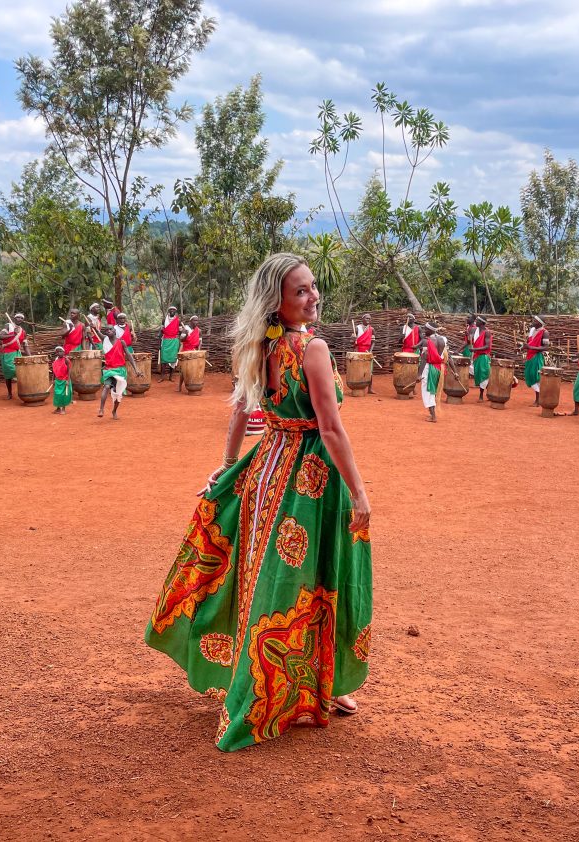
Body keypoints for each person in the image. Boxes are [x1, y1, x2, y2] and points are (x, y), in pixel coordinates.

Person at [145, 252, 372, 753]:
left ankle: (310, 682)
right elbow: (330, 428)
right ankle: (293, 687)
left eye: (313, 287)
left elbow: (242, 408)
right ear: (278, 301)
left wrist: (229, 464)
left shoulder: (258, 346)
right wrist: (358, 490)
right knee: (310, 579)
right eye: (301, 292)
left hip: (265, 470)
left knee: (262, 578)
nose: (313, 297)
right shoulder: (312, 350)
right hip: (308, 480)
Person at [98, 323, 137, 420]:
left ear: (115, 331)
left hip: (120, 370)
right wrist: (93, 327)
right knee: (106, 386)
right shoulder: (105, 340)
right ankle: (101, 409)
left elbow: (128, 355)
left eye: (110, 329)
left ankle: (114, 411)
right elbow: (98, 333)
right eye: (106, 330)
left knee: (118, 394)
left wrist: (136, 369)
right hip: (109, 369)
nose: (109, 331)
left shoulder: (121, 342)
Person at [417, 322, 446, 422]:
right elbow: (445, 355)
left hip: (429, 368)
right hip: (438, 368)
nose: (424, 331)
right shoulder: (442, 340)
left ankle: (433, 416)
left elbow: (425, 357)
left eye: (426, 329)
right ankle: (432, 414)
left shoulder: (429, 341)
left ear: (431, 330)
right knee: (432, 391)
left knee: (428, 391)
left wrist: (419, 374)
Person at [0, 313, 31, 400]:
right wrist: (13, 334)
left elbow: (25, 346)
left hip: (17, 354)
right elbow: (0, 336)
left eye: (21, 318)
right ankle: (9, 393)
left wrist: (30, 357)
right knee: (9, 372)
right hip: (7, 353)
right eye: (18, 317)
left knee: (20, 371)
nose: (19, 319)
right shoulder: (8, 326)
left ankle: (23, 391)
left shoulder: (23, 331)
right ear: (14, 318)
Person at [521, 316, 550, 406]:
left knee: (536, 377)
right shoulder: (532, 331)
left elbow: (545, 347)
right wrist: (521, 348)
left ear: (540, 323)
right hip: (530, 357)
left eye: (535, 321)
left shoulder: (545, 332)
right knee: (530, 376)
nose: (533, 322)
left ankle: (538, 400)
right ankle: (539, 399)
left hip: (537, 357)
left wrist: (530, 347)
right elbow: (528, 344)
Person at [177, 315, 202, 393]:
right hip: (186, 351)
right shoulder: (185, 329)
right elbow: (181, 339)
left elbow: (200, 341)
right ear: (191, 321)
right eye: (194, 320)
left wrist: (198, 351)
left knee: (194, 369)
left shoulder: (199, 330)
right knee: (183, 370)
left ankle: (191, 384)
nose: (196, 322)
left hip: (194, 351)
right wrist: (186, 335)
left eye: (197, 320)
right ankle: (180, 386)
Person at [471, 316, 492, 401]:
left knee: (483, 374)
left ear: (482, 323)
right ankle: (490, 391)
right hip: (477, 356)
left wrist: (474, 349)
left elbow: (487, 346)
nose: (476, 321)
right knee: (478, 374)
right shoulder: (476, 331)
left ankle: (481, 395)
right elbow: (471, 340)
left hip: (483, 356)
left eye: (478, 320)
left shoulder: (487, 332)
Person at [354, 314, 375, 394]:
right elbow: (352, 341)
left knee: (370, 370)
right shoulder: (357, 328)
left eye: (369, 318)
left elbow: (373, 342)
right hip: (358, 350)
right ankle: (357, 386)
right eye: (366, 318)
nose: (368, 319)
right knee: (358, 370)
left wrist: (370, 351)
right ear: (362, 318)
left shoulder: (372, 329)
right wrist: (353, 339)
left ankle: (370, 388)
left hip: (367, 351)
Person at [160, 305, 181, 381]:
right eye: (171, 310)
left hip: (174, 341)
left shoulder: (178, 321)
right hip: (165, 340)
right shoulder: (164, 320)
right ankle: (162, 377)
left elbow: (180, 331)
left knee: (173, 359)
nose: (172, 311)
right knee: (163, 359)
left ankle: (171, 377)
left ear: (175, 312)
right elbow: (161, 330)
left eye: (174, 310)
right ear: (168, 311)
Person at [51, 346, 72, 414]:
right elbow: (54, 371)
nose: (59, 353)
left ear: (63, 352)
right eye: (58, 352)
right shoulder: (56, 361)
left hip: (64, 380)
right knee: (57, 394)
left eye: (61, 351)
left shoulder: (66, 360)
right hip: (57, 380)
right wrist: (53, 379)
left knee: (64, 395)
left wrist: (68, 381)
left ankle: (63, 409)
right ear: (56, 353)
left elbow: (69, 371)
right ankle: (58, 408)